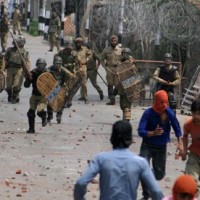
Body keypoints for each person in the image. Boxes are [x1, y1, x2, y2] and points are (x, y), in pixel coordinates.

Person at [74, 120, 164, 200]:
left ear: (112, 138)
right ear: (130, 139)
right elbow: (156, 191)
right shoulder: (140, 162)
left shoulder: (100, 159)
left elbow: (81, 183)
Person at [137, 90, 183, 200]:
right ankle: (146, 195)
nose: (164, 105)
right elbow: (140, 130)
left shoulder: (169, 113)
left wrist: (180, 143)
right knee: (144, 168)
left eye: (166, 102)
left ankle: (147, 176)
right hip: (147, 145)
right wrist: (152, 133)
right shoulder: (148, 113)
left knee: (159, 174)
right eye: (161, 102)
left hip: (161, 147)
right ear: (156, 102)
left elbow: (177, 127)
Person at [180, 100, 200, 194]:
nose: (196, 116)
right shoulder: (188, 124)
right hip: (194, 155)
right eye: (194, 113)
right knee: (191, 182)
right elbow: (185, 136)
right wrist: (184, 150)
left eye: (199, 114)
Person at [24, 58, 48, 133]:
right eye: (39, 65)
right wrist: (28, 78)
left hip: (43, 96)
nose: (40, 67)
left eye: (42, 65)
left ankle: (44, 117)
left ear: (45, 66)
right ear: (37, 65)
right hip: (34, 95)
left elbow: (54, 85)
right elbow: (26, 85)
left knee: (40, 111)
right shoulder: (33, 73)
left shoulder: (49, 73)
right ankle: (31, 128)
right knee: (30, 113)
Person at [5, 35, 31, 103]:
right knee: (8, 87)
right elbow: (5, 59)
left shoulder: (25, 52)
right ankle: (10, 94)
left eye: (19, 42)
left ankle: (15, 95)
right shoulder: (9, 50)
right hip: (10, 68)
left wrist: (28, 72)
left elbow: (27, 62)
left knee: (16, 85)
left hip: (19, 69)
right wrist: (3, 69)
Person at [47, 56, 73, 124]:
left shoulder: (63, 70)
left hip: (60, 87)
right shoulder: (49, 69)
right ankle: (49, 116)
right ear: (53, 63)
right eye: (56, 63)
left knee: (61, 103)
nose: (58, 65)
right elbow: (44, 75)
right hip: (52, 88)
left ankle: (59, 116)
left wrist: (66, 83)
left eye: (59, 64)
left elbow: (71, 75)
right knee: (49, 103)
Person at [115, 48, 137, 121]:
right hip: (122, 87)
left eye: (126, 54)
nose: (125, 55)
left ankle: (126, 120)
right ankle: (125, 118)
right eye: (123, 53)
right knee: (122, 104)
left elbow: (134, 77)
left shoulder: (132, 65)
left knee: (126, 104)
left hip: (128, 87)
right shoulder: (121, 64)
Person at [55, 41, 78, 108]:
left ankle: (68, 100)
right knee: (61, 87)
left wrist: (75, 71)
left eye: (70, 48)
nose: (69, 49)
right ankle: (62, 101)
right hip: (62, 71)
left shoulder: (74, 54)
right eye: (68, 48)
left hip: (71, 73)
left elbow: (77, 63)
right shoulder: (61, 52)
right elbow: (56, 58)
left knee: (70, 88)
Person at [100, 35, 122, 105]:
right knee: (110, 84)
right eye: (112, 41)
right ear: (110, 41)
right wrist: (104, 67)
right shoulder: (106, 50)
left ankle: (113, 95)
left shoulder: (120, 50)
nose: (113, 42)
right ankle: (111, 99)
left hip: (118, 68)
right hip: (109, 68)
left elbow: (125, 58)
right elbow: (101, 59)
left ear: (117, 41)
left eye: (115, 41)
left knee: (118, 84)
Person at [73, 37, 92, 103]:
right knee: (73, 83)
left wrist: (86, 60)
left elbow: (90, 55)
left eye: (80, 43)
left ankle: (85, 96)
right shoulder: (73, 50)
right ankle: (69, 96)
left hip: (83, 67)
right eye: (77, 43)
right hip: (75, 68)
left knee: (84, 83)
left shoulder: (85, 49)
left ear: (82, 43)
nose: (78, 44)